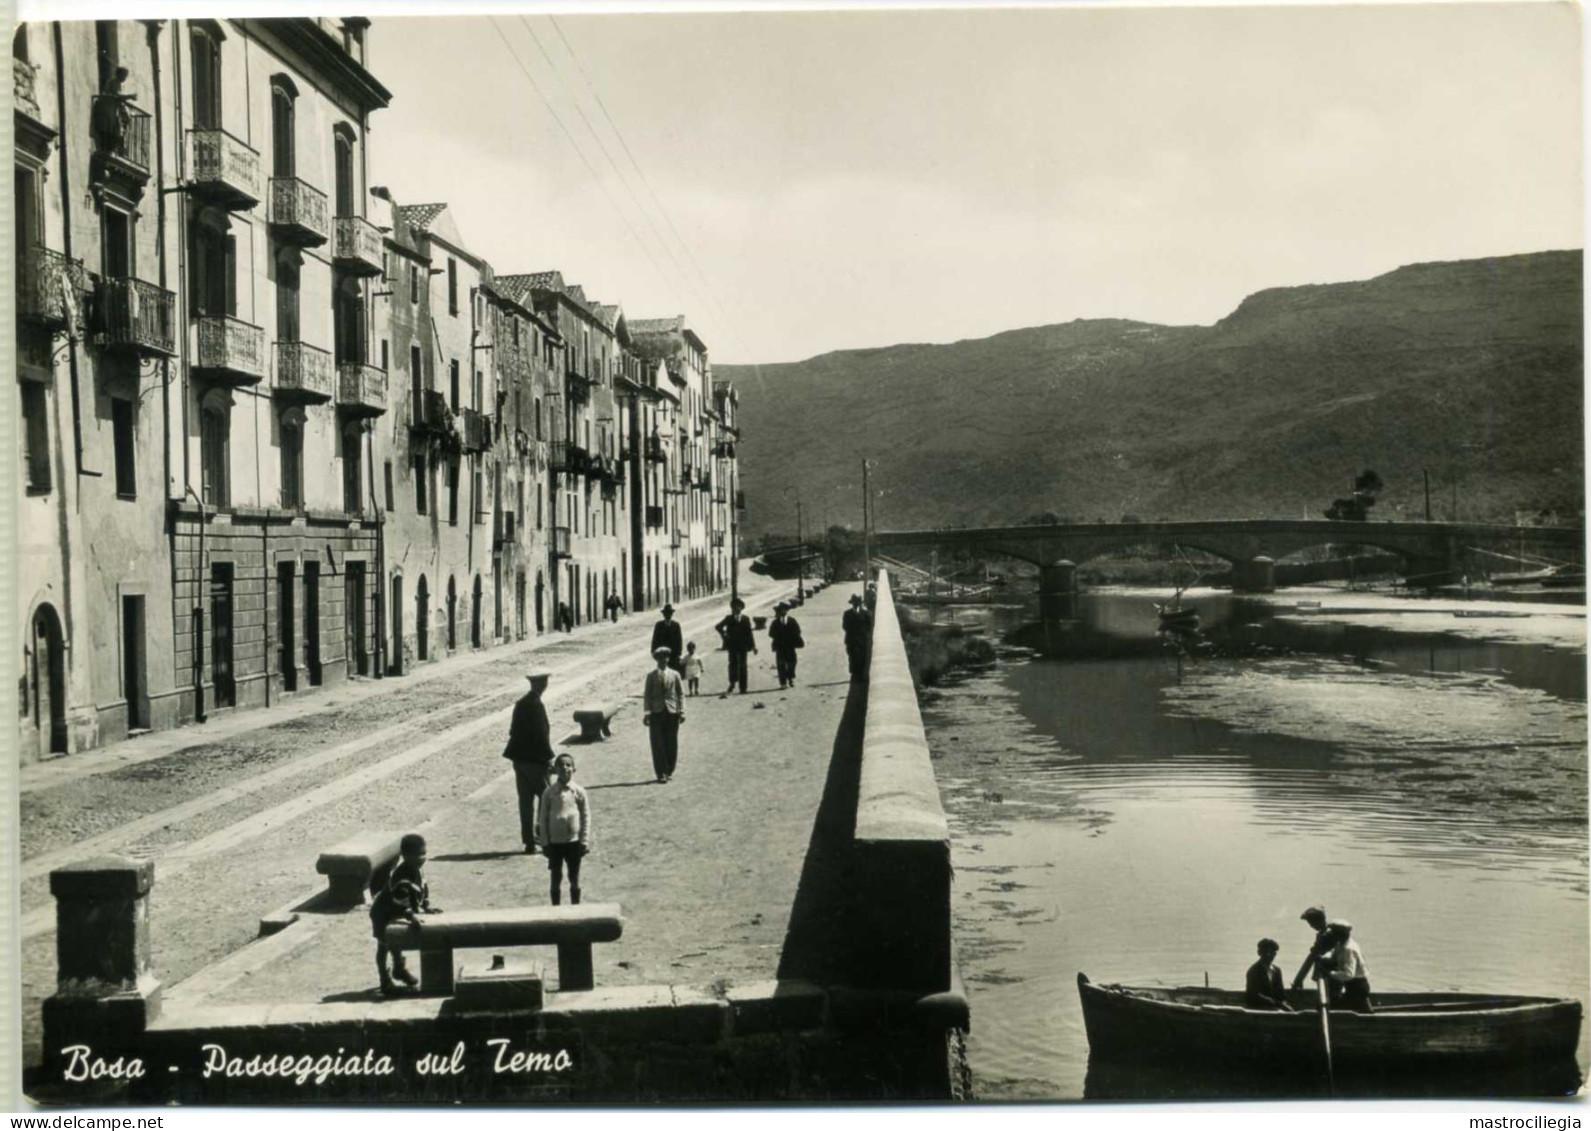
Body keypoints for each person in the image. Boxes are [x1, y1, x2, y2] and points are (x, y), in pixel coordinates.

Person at [369, 832, 441, 996]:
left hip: (396, 912)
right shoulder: (400, 875)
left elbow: (422, 889)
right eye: (417, 855)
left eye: (424, 854)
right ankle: (384, 979)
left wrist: (426, 906)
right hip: (383, 912)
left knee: (395, 941)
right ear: (405, 856)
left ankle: (399, 969)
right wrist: (412, 916)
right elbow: (401, 901)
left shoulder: (417, 870)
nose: (422, 858)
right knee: (384, 944)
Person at [502, 670, 556, 854]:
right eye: (545, 682)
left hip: (519, 760)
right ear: (542, 685)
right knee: (547, 796)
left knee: (525, 801)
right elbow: (541, 735)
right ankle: (542, 835)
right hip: (535, 761)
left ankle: (528, 842)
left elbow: (512, 731)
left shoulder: (521, 703)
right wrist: (548, 759)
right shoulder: (537, 706)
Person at [536, 752, 590, 906]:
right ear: (555, 769)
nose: (564, 768)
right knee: (556, 876)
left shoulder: (579, 792)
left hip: (573, 842)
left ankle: (575, 906)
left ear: (574, 769)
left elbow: (586, 816)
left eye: (568, 765)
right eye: (560, 765)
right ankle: (556, 908)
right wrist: (544, 843)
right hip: (555, 843)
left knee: (574, 877)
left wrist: (584, 840)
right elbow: (543, 819)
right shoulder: (549, 793)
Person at [642, 646, 685, 783]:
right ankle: (661, 773)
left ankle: (670, 769)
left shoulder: (675, 675)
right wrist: (647, 713)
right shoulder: (651, 676)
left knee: (671, 742)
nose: (663, 660)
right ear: (656, 660)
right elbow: (647, 695)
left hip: (672, 712)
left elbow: (681, 694)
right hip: (656, 712)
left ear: (668, 659)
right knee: (657, 743)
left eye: (666, 657)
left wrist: (682, 711)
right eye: (660, 658)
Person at [1322, 921, 1374, 1013]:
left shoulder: (1348, 949)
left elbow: (1349, 974)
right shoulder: (1340, 945)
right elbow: (1333, 957)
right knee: (1361, 1010)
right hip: (1352, 986)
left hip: (1358, 987)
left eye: (1334, 934)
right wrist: (1322, 958)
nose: (1332, 937)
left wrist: (1330, 974)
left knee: (1339, 1010)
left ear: (1340, 935)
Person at [715, 597, 757, 694]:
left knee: (743, 666)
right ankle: (732, 683)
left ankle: (743, 688)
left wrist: (753, 646)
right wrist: (723, 633)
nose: (737, 609)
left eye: (738, 608)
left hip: (743, 646)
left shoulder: (746, 619)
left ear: (741, 609)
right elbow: (718, 626)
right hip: (732, 646)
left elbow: (749, 633)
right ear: (732, 609)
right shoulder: (728, 619)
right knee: (732, 665)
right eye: (734, 607)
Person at [1291, 906, 1336, 991]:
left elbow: (1312, 957)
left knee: (1327, 997)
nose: (1310, 926)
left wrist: (1299, 979)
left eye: (1311, 922)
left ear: (1318, 920)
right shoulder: (1323, 934)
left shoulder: (1326, 934)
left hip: (1329, 973)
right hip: (1326, 972)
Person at [1244, 938, 1294, 1011]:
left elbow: (1281, 993)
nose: (1270, 956)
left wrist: (1284, 1004)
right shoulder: (1253, 971)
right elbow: (1253, 994)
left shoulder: (1277, 971)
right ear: (1259, 953)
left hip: (1274, 1006)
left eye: (1273, 953)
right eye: (1267, 953)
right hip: (1257, 1008)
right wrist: (1275, 1003)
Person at [768, 602, 805, 689]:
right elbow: (771, 633)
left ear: (787, 611)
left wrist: (793, 637)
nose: (783, 611)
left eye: (785, 609)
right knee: (781, 664)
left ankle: (791, 677)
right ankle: (783, 683)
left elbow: (798, 631)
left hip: (790, 645)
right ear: (779, 611)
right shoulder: (775, 622)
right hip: (780, 646)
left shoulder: (792, 621)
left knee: (792, 662)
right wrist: (778, 637)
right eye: (781, 610)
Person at [842, 593, 873, 682]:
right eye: (854, 603)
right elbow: (844, 626)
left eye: (857, 603)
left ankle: (859, 676)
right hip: (851, 639)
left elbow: (869, 626)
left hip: (861, 639)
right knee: (852, 657)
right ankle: (854, 675)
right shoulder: (847, 613)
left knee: (862, 658)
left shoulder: (866, 614)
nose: (855, 605)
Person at [651, 604, 684, 674]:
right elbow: (654, 639)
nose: (667, 615)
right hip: (661, 655)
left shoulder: (676, 625)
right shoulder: (658, 625)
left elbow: (679, 640)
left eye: (669, 613)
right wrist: (653, 651)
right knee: (662, 674)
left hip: (673, 655)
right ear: (663, 615)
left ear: (672, 614)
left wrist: (679, 653)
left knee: (672, 675)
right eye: (666, 614)